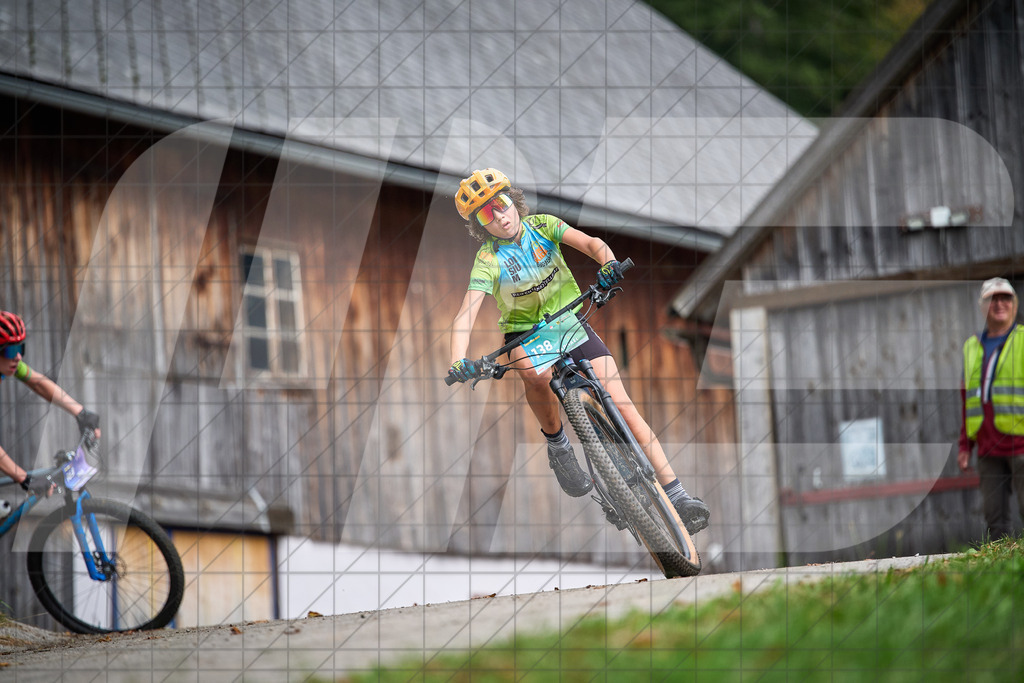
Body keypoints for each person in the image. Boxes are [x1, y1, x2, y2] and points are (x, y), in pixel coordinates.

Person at [446, 168, 710, 535]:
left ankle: (678, 495)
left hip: (569, 320)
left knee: (623, 405)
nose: (501, 216)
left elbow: (591, 244)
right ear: (481, 226)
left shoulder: (543, 225)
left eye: (502, 204)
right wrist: (458, 361)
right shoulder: (488, 260)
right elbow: (466, 312)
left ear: (513, 201)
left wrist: (608, 265)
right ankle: (557, 444)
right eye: (487, 215)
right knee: (533, 373)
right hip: (525, 333)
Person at [0, 311, 101, 496]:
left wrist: (80, 412)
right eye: (11, 351)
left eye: (20, 349)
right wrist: (24, 478)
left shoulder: (11, 364)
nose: (18, 358)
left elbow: (39, 384)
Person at [958, 277, 1024, 539]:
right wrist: (965, 445)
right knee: (995, 525)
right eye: (992, 298)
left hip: (1021, 445)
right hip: (987, 449)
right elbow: (967, 399)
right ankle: (1004, 575)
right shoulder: (971, 347)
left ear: (1014, 304)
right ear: (982, 306)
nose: (999, 303)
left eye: (1005, 297)